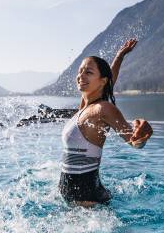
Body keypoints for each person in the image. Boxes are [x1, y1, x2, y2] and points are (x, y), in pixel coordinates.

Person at [59, 39, 153, 207]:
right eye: (80, 71)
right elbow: (109, 80)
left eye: (88, 72)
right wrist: (119, 57)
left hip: (86, 198)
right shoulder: (84, 106)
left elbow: (134, 142)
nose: (81, 76)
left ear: (102, 80)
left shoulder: (103, 109)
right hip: (74, 197)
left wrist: (142, 135)